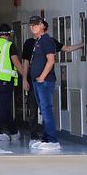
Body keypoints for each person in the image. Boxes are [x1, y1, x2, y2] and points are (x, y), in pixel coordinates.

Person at [25, 16, 61, 152]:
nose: (32, 27)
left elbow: (50, 60)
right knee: (43, 111)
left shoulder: (46, 40)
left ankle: (53, 140)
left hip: (44, 82)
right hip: (38, 81)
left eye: (35, 24)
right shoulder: (39, 41)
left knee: (46, 111)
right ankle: (46, 139)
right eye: (31, 25)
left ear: (42, 25)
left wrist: (42, 77)